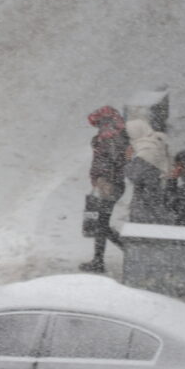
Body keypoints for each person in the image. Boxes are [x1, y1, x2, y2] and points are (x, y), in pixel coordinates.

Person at [81, 106, 129, 273]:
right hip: (109, 184)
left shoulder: (110, 136)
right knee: (101, 223)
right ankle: (101, 258)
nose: (98, 125)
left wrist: (103, 178)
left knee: (100, 224)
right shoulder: (113, 135)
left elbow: (114, 161)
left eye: (99, 122)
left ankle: (111, 255)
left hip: (109, 185)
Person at [125, 119, 172, 224]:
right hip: (154, 196)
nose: (129, 139)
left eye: (129, 135)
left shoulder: (146, 150)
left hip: (146, 201)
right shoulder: (155, 143)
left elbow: (133, 175)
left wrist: (127, 159)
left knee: (146, 230)